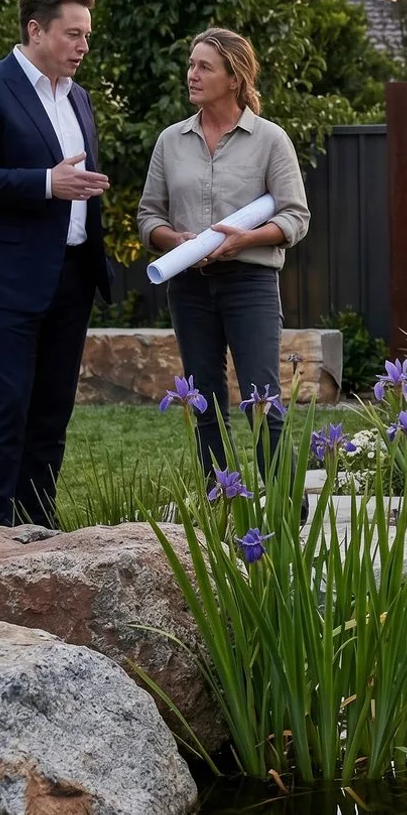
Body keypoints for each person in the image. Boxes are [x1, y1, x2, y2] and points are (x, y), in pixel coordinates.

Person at [0, 0, 115, 528]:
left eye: (87, 35)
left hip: (71, 276)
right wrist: (46, 183)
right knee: (8, 409)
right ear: (35, 30)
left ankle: (37, 526)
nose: (83, 45)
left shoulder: (79, 97)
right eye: (73, 33)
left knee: (51, 415)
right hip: (8, 278)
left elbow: (73, 181)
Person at [137, 27, 309, 478]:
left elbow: (295, 217)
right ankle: (222, 502)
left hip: (249, 284)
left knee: (262, 400)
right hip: (188, 286)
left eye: (203, 67)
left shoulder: (271, 140)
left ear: (234, 78)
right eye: (191, 64)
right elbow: (148, 217)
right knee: (204, 402)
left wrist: (243, 239)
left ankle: (284, 510)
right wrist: (174, 241)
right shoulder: (170, 141)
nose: (191, 74)